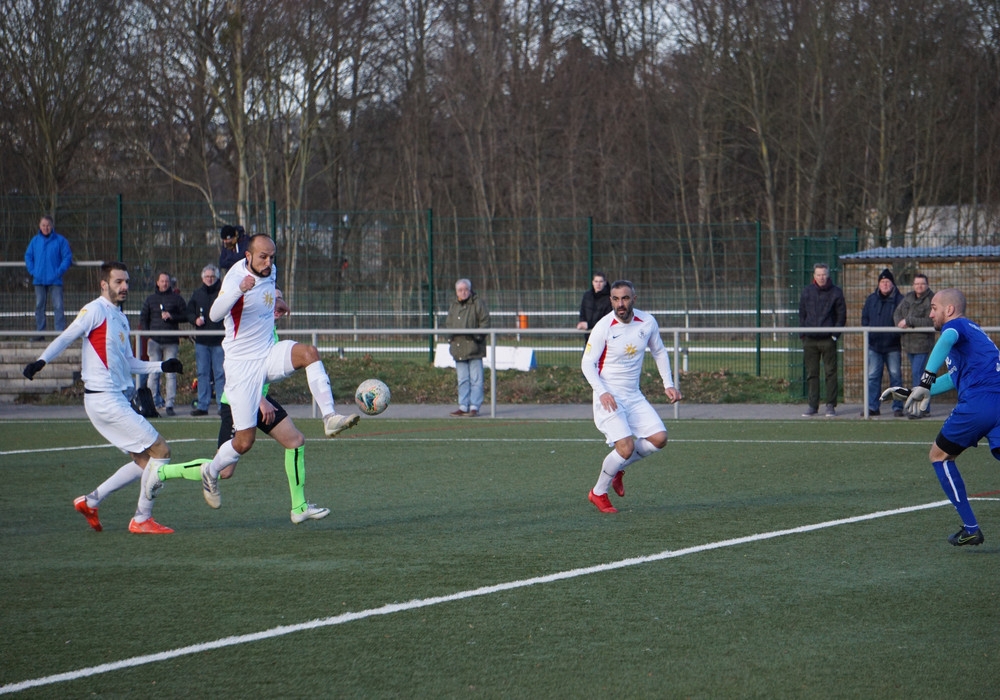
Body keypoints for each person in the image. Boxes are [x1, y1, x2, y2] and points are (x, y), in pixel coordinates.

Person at [21, 261, 198, 534]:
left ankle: (91, 501)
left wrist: (161, 366)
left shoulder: (121, 318)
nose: (124, 286)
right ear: (104, 285)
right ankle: (141, 519)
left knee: (145, 464)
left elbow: (128, 362)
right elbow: (67, 336)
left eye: (126, 281)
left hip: (112, 398)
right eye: (118, 282)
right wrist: (40, 361)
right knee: (161, 451)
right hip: (105, 400)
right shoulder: (95, 310)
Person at [193, 234, 359, 509]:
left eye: (272, 256)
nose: (269, 262)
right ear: (248, 256)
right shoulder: (236, 277)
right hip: (242, 366)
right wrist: (239, 290)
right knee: (244, 442)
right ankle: (209, 472)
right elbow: (214, 314)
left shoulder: (270, 270)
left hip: (268, 352)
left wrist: (275, 305)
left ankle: (329, 417)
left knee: (309, 353)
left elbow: (267, 292)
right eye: (263, 257)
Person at [147, 292, 329, 523]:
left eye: (280, 298)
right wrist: (259, 400)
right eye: (271, 298)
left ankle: (299, 507)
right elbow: (237, 371)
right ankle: (161, 473)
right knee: (225, 471)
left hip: (259, 400)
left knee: (295, 441)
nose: (276, 303)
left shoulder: (269, 331)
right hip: (236, 401)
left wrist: (261, 398)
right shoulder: (247, 329)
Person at [883, 289, 1000, 547]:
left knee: (939, 455)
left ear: (949, 310)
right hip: (997, 403)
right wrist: (916, 390)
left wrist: (924, 380)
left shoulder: (955, 327)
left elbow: (946, 337)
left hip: (979, 404)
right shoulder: (974, 333)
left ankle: (971, 528)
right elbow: (951, 378)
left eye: (934, 307)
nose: (930, 312)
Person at [582, 279, 683, 513]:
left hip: (633, 395)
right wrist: (602, 392)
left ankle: (617, 468)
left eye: (625, 298)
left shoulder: (647, 322)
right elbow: (587, 363)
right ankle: (598, 493)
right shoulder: (603, 327)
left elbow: (658, 351)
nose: (621, 304)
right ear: (611, 301)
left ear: (633, 300)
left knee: (659, 438)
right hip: (608, 397)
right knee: (625, 447)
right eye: (616, 299)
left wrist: (668, 383)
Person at [798, 262, 846, 417]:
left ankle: (830, 405)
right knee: (812, 373)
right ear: (814, 276)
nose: (821, 277)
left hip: (828, 340)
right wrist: (803, 334)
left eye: (824, 274)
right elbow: (801, 314)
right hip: (810, 340)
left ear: (828, 274)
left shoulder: (836, 292)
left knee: (831, 373)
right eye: (818, 274)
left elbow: (841, 316)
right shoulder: (807, 292)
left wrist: (834, 336)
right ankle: (813, 405)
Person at [139, 271, 187, 415]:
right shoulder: (150, 299)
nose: (164, 283)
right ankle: (152, 404)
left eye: (167, 281)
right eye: (162, 281)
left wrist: (172, 317)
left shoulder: (177, 299)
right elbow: (143, 318)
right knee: (153, 373)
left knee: (170, 374)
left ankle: (169, 404)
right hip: (154, 342)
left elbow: (185, 315)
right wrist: (148, 335)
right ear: (157, 282)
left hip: (171, 341)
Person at [445, 278, 491, 417]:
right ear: (456, 292)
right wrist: (450, 338)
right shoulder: (454, 305)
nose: (463, 292)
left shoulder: (478, 304)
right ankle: (463, 405)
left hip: (474, 347)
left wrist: (477, 337)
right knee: (462, 379)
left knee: (476, 379)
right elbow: (448, 324)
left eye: (466, 289)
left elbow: (485, 321)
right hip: (458, 348)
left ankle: (474, 406)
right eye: (460, 290)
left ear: (470, 290)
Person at [861, 268, 903, 417]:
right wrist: (869, 333)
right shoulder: (871, 299)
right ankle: (873, 407)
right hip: (874, 345)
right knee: (873, 376)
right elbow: (865, 318)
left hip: (892, 346)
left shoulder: (900, 300)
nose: (885, 284)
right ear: (878, 284)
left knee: (895, 377)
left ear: (892, 284)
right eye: (882, 282)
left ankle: (898, 407)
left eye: (887, 282)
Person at [893, 273, 935, 418]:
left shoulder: (931, 299)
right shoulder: (908, 297)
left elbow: (931, 321)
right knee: (919, 376)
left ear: (927, 285)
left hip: (923, 345)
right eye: (916, 284)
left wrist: (909, 321)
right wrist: (900, 322)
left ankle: (918, 409)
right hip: (908, 344)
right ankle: (925, 407)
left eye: (922, 284)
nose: (919, 286)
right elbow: (897, 313)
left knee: (918, 375)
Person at [24, 214, 73, 339]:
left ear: (52, 226)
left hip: (55, 280)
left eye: (48, 225)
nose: (46, 228)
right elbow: (28, 256)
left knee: (58, 306)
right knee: (39, 306)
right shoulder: (35, 241)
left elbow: (67, 257)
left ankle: (60, 335)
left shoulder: (60, 241)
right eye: (43, 225)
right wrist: (33, 271)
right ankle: (40, 334)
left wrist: (59, 271)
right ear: (40, 226)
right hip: (39, 280)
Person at [186, 264, 226, 415]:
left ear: (217, 278)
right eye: (207, 277)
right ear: (203, 278)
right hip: (202, 342)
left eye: (212, 277)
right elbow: (188, 312)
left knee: (220, 374)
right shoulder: (197, 294)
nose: (209, 279)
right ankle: (203, 405)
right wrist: (195, 320)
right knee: (202, 374)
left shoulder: (223, 293)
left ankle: (223, 406)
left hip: (219, 341)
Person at [576, 272, 612, 344]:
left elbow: (607, 319)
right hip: (588, 337)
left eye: (601, 281)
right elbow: (582, 312)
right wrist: (582, 323)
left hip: (603, 337)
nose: (598, 284)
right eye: (596, 281)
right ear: (593, 282)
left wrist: (588, 325)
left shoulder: (610, 298)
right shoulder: (587, 296)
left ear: (605, 282)